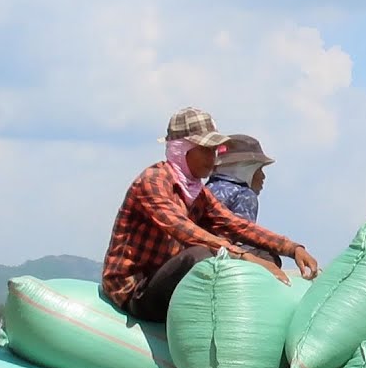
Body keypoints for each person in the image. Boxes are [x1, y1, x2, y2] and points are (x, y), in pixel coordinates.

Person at [101, 108, 318, 322]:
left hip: (167, 280)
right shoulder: (153, 181)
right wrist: (242, 256)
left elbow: (236, 225)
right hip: (136, 289)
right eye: (205, 150)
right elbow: (182, 228)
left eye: (214, 150)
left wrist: (291, 248)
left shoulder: (198, 192)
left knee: (265, 255)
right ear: (182, 150)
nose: (212, 158)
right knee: (200, 256)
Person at [207, 134, 282, 266]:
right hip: (227, 256)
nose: (263, 176)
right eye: (259, 169)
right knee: (269, 255)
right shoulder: (245, 195)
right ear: (246, 169)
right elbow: (245, 237)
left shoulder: (206, 189)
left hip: (203, 251)